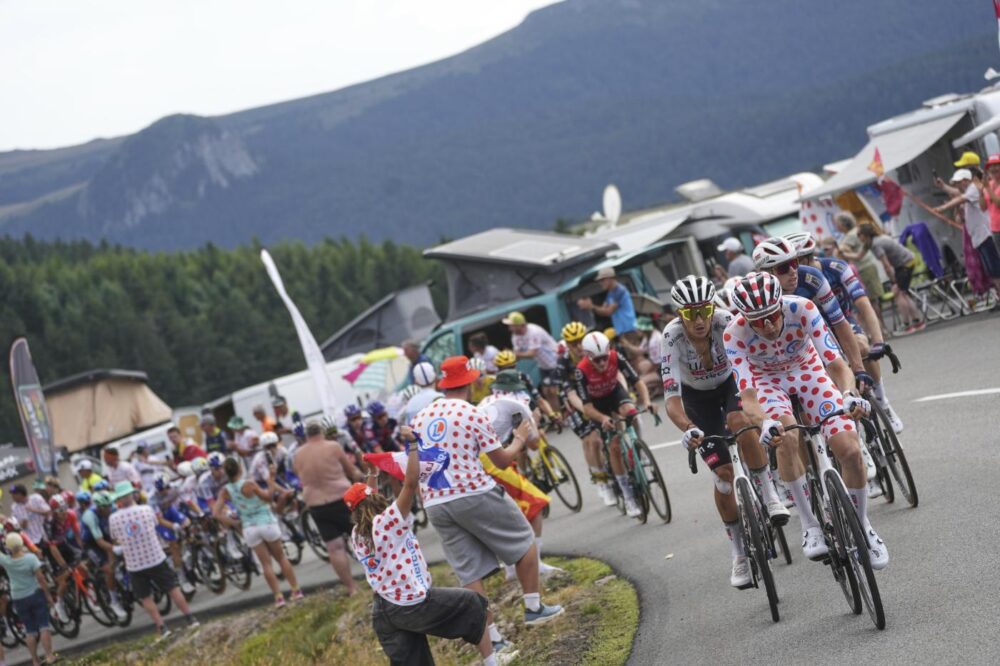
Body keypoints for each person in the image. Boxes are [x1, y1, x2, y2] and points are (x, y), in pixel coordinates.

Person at [725, 272, 888, 568]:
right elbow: (747, 396)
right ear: (745, 318)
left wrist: (848, 394)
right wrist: (764, 423)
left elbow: (836, 365)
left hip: (808, 370)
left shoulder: (802, 308)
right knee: (786, 436)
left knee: (850, 450)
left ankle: (863, 525)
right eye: (757, 321)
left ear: (780, 305)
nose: (768, 325)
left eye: (772, 316)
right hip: (767, 382)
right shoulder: (734, 334)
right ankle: (810, 524)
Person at [410, 356, 563, 657]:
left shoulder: (420, 418)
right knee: (524, 539)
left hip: (435, 501)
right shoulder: (471, 412)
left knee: (470, 573)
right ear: (469, 382)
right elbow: (501, 461)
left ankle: (493, 641)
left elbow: (415, 467)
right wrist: (519, 439)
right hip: (472, 490)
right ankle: (533, 606)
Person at [661, 276, 789, 587]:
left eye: (705, 310)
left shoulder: (725, 321)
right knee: (722, 475)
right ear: (679, 314)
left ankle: (770, 494)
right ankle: (739, 554)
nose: (699, 320)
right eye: (690, 313)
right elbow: (672, 399)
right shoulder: (671, 337)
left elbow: (750, 364)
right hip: (696, 398)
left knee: (739, 421)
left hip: (731, 384)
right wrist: (688, 429)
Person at [346, 439, 502, 666]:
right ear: (374, 500)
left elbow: (368, 499)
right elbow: (410, 483)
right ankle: (492, 662)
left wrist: (373, 474)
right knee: (473, 604)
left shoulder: (357, 535)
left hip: (384, 610)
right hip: (411, 603)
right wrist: (412, 446)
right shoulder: (388, 522)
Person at [787, 231, 904, 436]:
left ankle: (882, 402)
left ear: (808, 257)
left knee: (863, 347)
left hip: (843, 321)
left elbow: (863, 304)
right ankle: (853, 428)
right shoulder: (791, 285)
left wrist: (878, 341)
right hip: (814, 334)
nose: (792, 270)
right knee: (832, 374)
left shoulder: (837, 268)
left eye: (796, 262)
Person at [752, 236, 870, 388]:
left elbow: (839, 323)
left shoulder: (811, 277)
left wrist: (859, 369)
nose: (793, 271)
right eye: (783, 268)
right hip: (787, 345)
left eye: (795, 263)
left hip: (817, 327)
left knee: (844, 373)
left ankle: (877, 398)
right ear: (766, 273)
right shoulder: (757, 294)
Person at [477, 372, 561, 579]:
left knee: (506, 513)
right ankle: (534, 564)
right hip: (493, 461)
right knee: (537, 503)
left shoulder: (484, 402)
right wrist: (536, 421)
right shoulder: (519, 404)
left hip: (475, 461)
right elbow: (533, 443)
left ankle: (511, 568)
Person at [573, 331, 656, 518]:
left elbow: (637, 382)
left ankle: (639, 451)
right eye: (597, 360)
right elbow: (586, 407)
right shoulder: (581, 370)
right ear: (588, 356)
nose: (603, 363)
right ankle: (628, 496)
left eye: (604, 357)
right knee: (615, 447)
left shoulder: (616, 356)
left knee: (633, 414)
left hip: (614, 393)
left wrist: (647, 402)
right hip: (596, 405)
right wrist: (603, 418)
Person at [107, 481, 200, 639]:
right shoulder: (146, 509)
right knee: (173, 588)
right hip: (156, 557)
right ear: (132, 495)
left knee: (145, 597)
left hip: (134, 564)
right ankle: (190, 618)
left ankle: (162, 628)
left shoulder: (113, 518)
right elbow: (155, 524)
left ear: (119, 499)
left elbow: (116, 539)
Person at [214, 457, 303, 608]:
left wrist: (234, 523)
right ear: (240, 468)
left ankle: (278, 597)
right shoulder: (249, 484)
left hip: (249, 528)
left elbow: (216, 513)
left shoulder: (225, 490)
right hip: (266, 522)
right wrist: (271, 479)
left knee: (265, 564)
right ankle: (296, 590)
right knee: (281, 558)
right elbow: (268, 498)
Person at [293, 421, 361, 595]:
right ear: (322, 432)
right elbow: (351, 470)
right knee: (361, 536)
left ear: (306, 436)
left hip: (316, 504)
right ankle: (380, 577)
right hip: (340, 497)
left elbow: (300, 476)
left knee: (334, 548)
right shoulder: (333, 446)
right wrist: (360, 477)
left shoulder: (298, 455)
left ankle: (351, 588)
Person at [558, 322, 615, 506]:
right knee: (592, 440)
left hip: (593, 395)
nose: (577, 346)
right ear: (567, 344)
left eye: (579, 341)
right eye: (572, 343)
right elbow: (571, 394)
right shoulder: (564, 363)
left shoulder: (593, 352)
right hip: (574, 403)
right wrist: (588, 411)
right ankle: (601, 482)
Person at [936, 167, 1000, 297]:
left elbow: (960, 198)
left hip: (985, 236)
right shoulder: (968, 192)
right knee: (991, 271)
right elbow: (959, 198)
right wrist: (944, 187)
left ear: (966, 181)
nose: (957, 186)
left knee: (995, 271)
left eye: (958, 182)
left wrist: (943, 207)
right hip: (979, 238)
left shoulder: (973, 189)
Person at [0, 532, 57, 665]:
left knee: (30, 630)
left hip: (18, 598)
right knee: (43, 626)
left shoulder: (6, 561)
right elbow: (41, 578)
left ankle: (35, 660)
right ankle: (49, 655)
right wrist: (48, 595)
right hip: (35, 594)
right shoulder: (31, 559)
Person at [856, 223, 924, 333]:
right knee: (903, 293)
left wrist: (893, 280)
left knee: (897, 292)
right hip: (906, 261)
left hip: (904, 264)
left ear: (865, 235)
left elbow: (886, 265)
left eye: (859, 234)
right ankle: (917, 322)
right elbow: (858, 256)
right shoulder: (872, 241)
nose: (858, 237)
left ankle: (907, 325)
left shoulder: (876, 244)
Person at [502, 311, 562, 416]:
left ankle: (561, 413)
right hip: (543, 365)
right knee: (546, 391)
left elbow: (532, 353)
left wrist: (516, 354)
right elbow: (516, 355)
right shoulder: (515, 337)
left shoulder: (534, 331)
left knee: (552, 390)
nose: (509, 329)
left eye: (511, 326)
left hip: (555, 361)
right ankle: (557, 414)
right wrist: (507, 359)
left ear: (519, 325)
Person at [80, 491, 128, 619]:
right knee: (109, 569)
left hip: (105, 536)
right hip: (92, 543)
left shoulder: (112, 509)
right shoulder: (90, 516)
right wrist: (114, 548)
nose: (110, 509)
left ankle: (124, 581)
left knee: (125, 555)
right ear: (100, 508)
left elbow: (117, 533)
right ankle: (114, 601)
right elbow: (100, 542)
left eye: (110, 505)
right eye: (107, 507)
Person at [835, 211, 885, 306]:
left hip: (863, 269)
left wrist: (840, 252)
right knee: (874, 299)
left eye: (837, 223)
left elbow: (841, 250)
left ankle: (876, 316)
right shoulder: (855, 232)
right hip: (868, 266)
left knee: (872, 300)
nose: (836, 226)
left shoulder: (850, 236)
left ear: (843, 224)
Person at [576, 267, 638, 342]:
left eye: (602, 280)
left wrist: (591, 306)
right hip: (622, 331)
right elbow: (603, 310)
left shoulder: (619, 291)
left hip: (629, 329)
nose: (600, 283)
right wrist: (589, 305)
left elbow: (608, 312)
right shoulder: (610, 294)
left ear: (610, 278)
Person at [9, 484, 49, 553]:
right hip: (31, 541)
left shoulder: (36, 498)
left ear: (20, 494)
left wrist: (33, 510)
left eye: (13, 495)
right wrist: (22, 523)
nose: (12, 497)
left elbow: (48, 512)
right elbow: (16, 526)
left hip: (44, 535)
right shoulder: (14, 507)